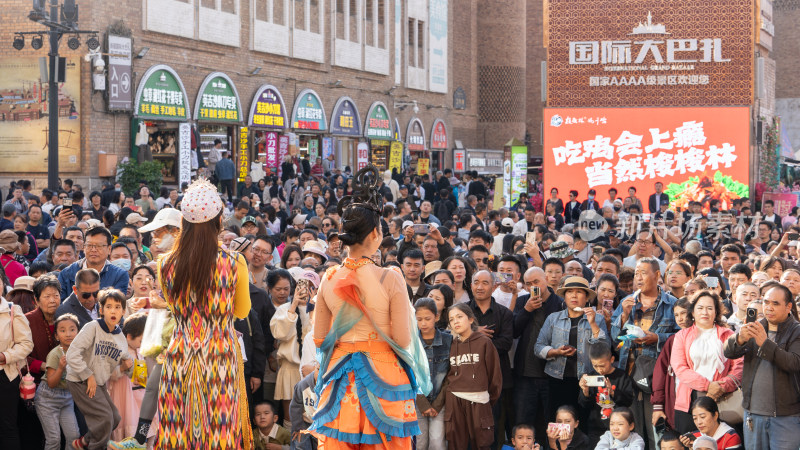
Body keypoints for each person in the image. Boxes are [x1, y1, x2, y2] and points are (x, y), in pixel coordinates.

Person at [307, 165, 431, 448]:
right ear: (376, 234)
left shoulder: (327, 278)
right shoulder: (390, 277)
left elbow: (318, 338)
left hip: (339, 376)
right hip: (384, 376)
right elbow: (401, 338)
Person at [153, 179, 251, 449]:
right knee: (220, 432)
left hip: (181, 353)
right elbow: (241, 311)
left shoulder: (165, 264)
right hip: (220, 355)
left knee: (178, 429)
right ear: (218, 220)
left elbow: (175, 307)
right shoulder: (234, 262)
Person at [610, 258, 679, 448]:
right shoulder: (627, 302)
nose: (638, 278)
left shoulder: (671, 303)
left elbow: (681, 336)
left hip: (657, 377)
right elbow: (617, 339)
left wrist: (656, 338)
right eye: (636, 274)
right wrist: (624, 316)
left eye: (643, 273)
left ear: (657, 275)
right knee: (633, 432)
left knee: (656, 431)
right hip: (630, 374)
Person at [723, 283, 800, 449]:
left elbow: (794, 362)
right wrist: (739, 339)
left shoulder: (796, 331)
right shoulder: (756, 326)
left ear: (788, 307)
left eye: (775, 303)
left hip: (786, 416)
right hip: (753, 413)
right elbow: (728, 353)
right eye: (766, 302)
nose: (769, 307)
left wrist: (764, 344)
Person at [65, 288, 134, 450]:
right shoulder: (92, 327)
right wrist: (88, 376)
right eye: (109, 306)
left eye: (117, 307)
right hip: (79, 379)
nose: (113, 311)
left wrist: (126, 367)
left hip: (99, 382)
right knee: (105, 418)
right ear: (101, 310)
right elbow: (72, 354)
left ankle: (84, 442)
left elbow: (124, 367)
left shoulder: (121, 338)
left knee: (115, 418)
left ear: (123, 311)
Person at [670, 291, 743, 434]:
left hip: (722, 397)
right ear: (692, 311)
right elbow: (680, 367)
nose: (705, 312)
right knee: (692, 443)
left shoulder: (728, 334)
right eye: (700, 308)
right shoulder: (681, 336)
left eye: (710, 308)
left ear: (716, 312)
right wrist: (708, 386)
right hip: (690, 398)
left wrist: (723, 386)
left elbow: (739, 365)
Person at [536, 276, 608, 418]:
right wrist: (556, 352)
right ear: (564, 296)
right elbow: (538, 347)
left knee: (584, 421)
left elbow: (604, 350)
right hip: (557, 378)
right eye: (569, 292)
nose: (574, 295)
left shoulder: (598, 319)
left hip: (587, 379)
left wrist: (592, 323)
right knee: (557, 420)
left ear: (587, 297)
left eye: (579, 292)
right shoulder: (553, 318)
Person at [445, 303, 502, 450]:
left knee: (482, 443)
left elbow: (495, 377)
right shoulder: (450, 345)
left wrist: (486, 401)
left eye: (459, 317)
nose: (455, 321)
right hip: (455, 400)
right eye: (451, 319)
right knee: (456, 444)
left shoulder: (484, 342)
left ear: (470, 319)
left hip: (479, 400)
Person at [0, 271, 34, 450]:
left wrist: (5, 356)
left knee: (7, 427)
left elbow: (26, 344)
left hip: (6, 376)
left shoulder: (12, 310)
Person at [36, 312, 81, 450]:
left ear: (79, 333)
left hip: (67, 398)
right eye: (62, 330)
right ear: (56, 336)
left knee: (74, 436)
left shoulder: (80, 352)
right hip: (47, 398)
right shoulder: (55, 354)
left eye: (72, 329)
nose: (68, 334)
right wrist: (61, 368)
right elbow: (51, 382)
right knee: (54, 439)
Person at [577, 341, 635, 445]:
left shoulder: (621, 376)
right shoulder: (590, 377)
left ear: (612, 359)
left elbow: (629, 401)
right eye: (595, 365)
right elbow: (584, 406)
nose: (599, 369)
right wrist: (585, 392)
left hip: (618, 429)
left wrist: (613, 392)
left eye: (602, 365)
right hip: (595, 428)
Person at [651, 297, 692, 432]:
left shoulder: (705, 337)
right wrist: (658, 405)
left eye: (683, 313)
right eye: (676, 315)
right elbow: (660, 374)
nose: (680, 318)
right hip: (675, 400)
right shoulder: (672, 341)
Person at [415, 298, 452, 450]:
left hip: (440, 401)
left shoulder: (448, 340)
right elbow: (409, 374)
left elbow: (451, 374)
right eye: (419, 319)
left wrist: (437, 404)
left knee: (437, 442)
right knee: (420, 443)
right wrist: (423, 404)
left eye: (427, 319)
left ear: (436, 317)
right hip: (417, 402)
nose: (423, 323)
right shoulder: (412, 342)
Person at [108, 312, 147, 441]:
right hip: (124, 398)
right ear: (129, 337)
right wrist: (123, 368)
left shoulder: (141, 349)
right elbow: (109, 374)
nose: (143, 344)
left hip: (141, 398)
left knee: (144, 434)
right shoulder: (118, 350)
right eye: (141, 340)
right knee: (127, 434)